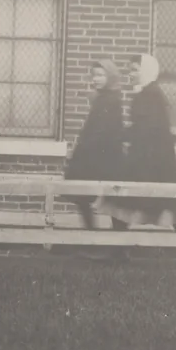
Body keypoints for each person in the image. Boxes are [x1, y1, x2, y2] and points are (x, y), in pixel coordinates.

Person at [107, 53, 176, 263]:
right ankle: (118, 249)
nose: (131, 74)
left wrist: (121, 135)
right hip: (152, 162)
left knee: (121, 199)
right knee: (125, 201)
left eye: (135, 69)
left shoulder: (149, 96)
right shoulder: (147, 94)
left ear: (147, 71)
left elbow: (146, 131)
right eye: (130, 70)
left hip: (153, 164)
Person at [63, 59, 125, 231]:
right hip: (97, 157)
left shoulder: (110, 100)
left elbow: (104, 131)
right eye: (94, 75)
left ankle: (115, 243)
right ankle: (96, 237)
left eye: (100, 75)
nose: (95, 79)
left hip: (103, 159)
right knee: (88, 197)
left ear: (110, 77)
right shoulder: (103, 98)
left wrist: (85, 150)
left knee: (110, 200)